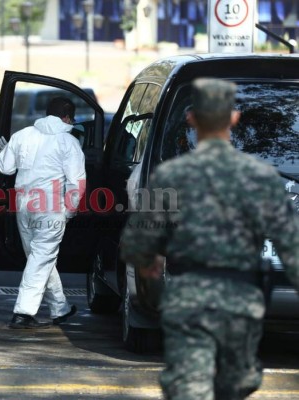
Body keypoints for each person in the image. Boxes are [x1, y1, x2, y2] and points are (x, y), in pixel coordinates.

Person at [121, 78, 299, 399]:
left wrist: (153, 285)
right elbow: (291, 246)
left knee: (188, 386)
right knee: (236, 384)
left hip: (188, 296)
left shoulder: (168, 176)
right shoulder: (261, 177)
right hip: (241, 299)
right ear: (233, 118)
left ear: (191, 117)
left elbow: (137, 244)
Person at [0, 96, 86, 329]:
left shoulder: (23, 135)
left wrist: (6, 150)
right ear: (66, 117)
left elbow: (5, 168)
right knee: (40, 259)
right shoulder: (68, 142)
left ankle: (60, 308)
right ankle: (23, 313)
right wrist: (70, 211)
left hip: (23, 205)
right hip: (50, 207)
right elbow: (77, 183)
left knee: (39, 258)